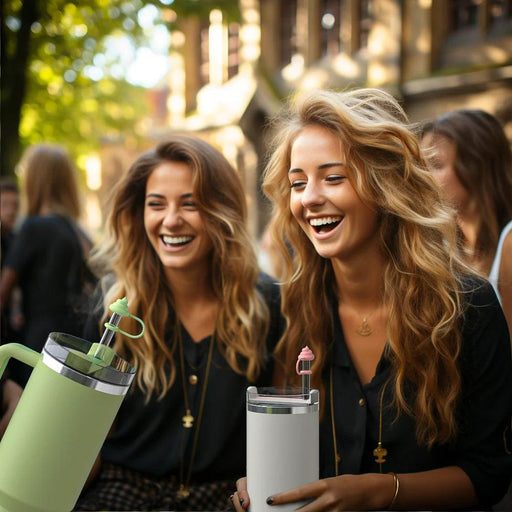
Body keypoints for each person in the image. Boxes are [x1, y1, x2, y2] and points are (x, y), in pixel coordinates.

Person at [232, 88, 512, 510]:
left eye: (333, 177)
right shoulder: (291, 308)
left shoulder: (468, 307)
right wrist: (264, 481)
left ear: (385, 184)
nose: (309, 198)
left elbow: (489, 474)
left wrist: (383, 492)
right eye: (297, 182)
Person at [74, 135, 282, 511]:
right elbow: (83, 437)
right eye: (156, 205)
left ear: (222, 211)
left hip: (227, 499)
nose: (171, 220)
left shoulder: (267, 303)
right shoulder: (112, 307)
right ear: (140, 213)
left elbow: (283, 428)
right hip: (123, 493)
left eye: (191, 204)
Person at [0, 143, 95, 387]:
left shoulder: (34, 227)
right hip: (73, 345)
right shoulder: (77, 232)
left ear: (34, 179)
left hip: (37, 345)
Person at [421, 109, 512, 342]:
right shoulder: (440, 244)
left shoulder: (509, 243)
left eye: (436, 164)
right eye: (422, 166)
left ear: (475, 167)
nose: (423, 176)